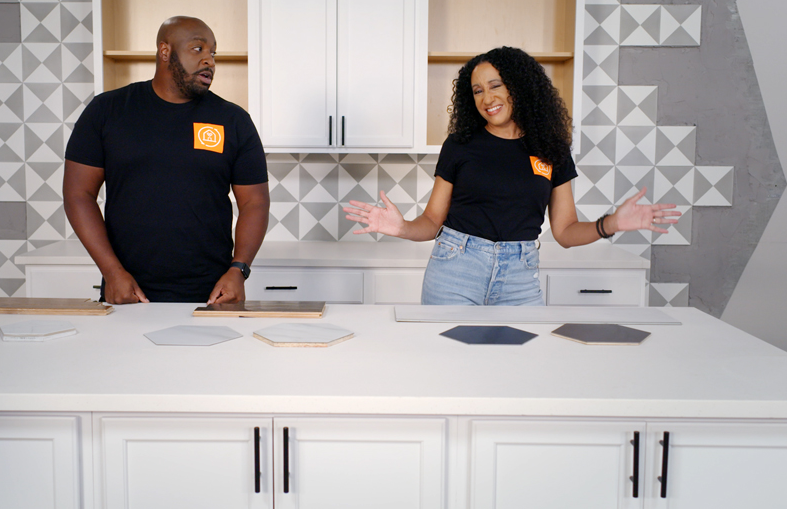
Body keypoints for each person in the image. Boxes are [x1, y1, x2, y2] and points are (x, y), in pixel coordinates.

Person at [344, 46, 680, 306]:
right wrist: (401, 227)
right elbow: (432, 221)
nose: (487, 98)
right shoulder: (460, 145)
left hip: (519, 277)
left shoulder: (551, 148)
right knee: (450, 366)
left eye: (496, 86)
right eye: (477, 90)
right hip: (455, 271)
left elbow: (565, 231)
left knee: (522, 367)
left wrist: (612, 223)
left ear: (519, 87)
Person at [64, 16, 269, 305]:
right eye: (198, 49)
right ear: (165, 51)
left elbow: (255, 203)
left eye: (213, 53)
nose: (209, 61)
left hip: (213, 294)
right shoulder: (107, 110)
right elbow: (78, 194)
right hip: (128, 291)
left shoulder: (233, 120)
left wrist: (239, 269)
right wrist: (111, 271)